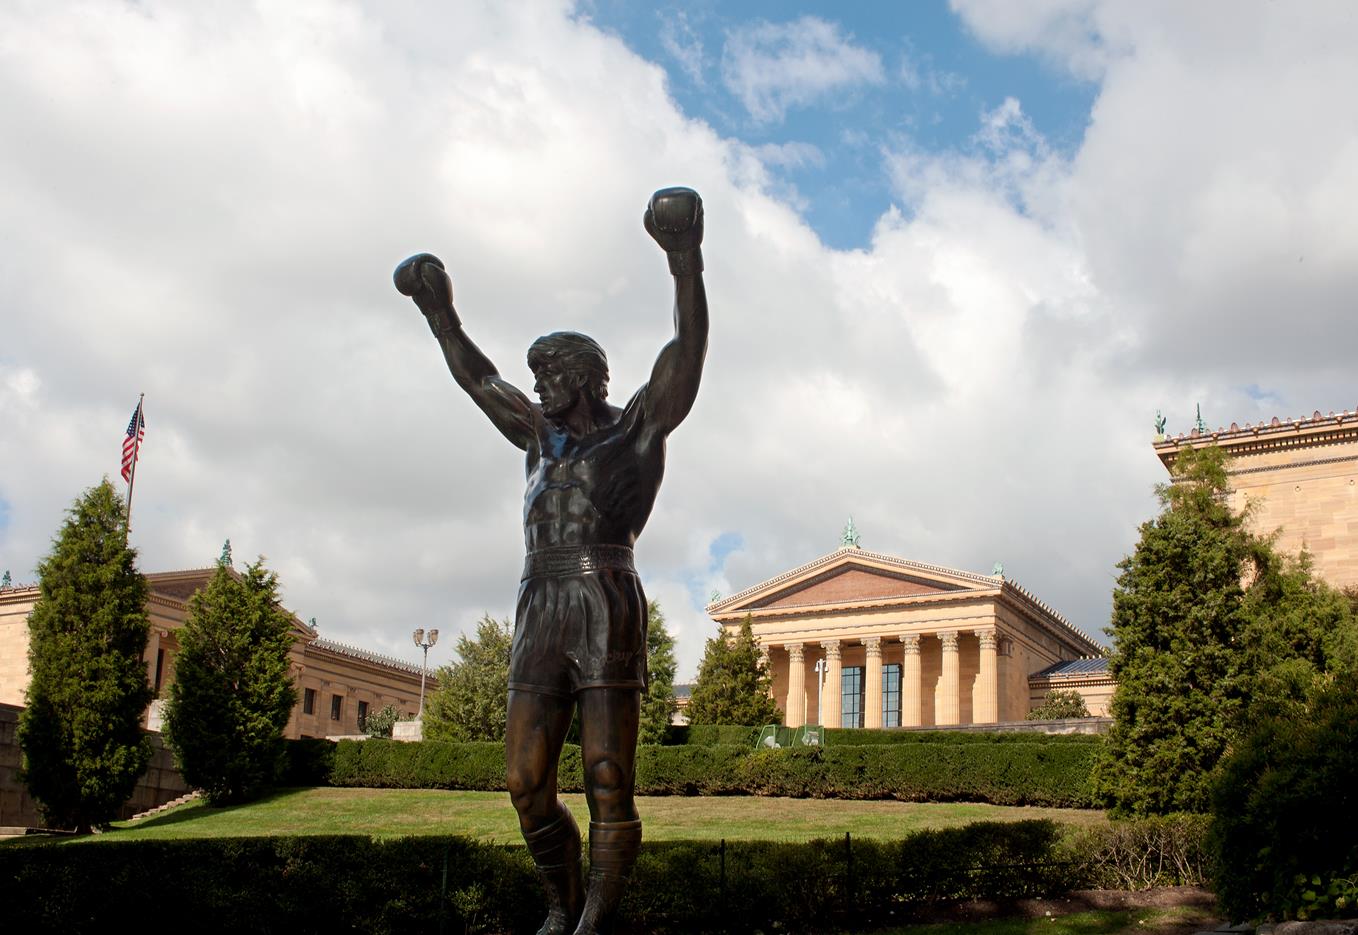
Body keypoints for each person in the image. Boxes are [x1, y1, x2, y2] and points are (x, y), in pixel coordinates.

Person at [394, 187, 708, 935]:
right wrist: (440, 314)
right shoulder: (538, 437)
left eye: (549, 371)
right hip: (539, 601)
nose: (536, 382)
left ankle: (593, 915)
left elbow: (687, 352)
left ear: (586, 374)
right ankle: (561, 898)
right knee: (524, 780)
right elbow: (478, 377)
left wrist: (684, 262)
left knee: (607, 774)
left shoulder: (636, 428)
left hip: (605, 593)